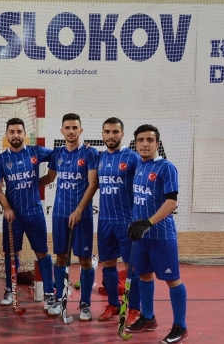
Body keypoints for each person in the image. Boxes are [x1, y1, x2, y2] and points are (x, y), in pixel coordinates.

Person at [125, 125, 188, 343]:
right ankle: (148, 317)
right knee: (144, 276)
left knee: (173, 280)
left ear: (157, 144)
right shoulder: (139, 166)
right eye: (140, 140)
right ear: (135, 144)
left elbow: (171, 202)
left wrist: (148, 222)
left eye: (149, 140)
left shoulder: (166, 167)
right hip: (141, 237)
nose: (145, 144)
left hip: (162, 236)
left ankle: (180, 326)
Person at [0, 117, 56, 311]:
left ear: (25, 134)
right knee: (11, 253)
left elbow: (60, 155)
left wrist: (42, 181)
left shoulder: (36, 151)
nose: (16, 135)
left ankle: (49, 294)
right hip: (13, 216)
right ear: (7, 134)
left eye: (19, 131)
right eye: (12, 132)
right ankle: (10, 290)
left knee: (42, 252)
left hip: (34, 212)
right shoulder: (1, 159)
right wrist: (7, 208)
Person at [45, 113, 99, 321]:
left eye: (75, 127)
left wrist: (79, 210)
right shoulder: (57, 153)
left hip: (82, 215)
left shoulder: (90, 153)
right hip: (60, 213)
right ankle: (60, 299)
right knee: (60, 257)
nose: (71, 131)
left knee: (84, 259)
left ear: (81, 130)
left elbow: (93, 184)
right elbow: (50, 177)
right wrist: (28, 186)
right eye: (67, 128)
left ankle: (85, 304)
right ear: (61, 131)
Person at [95, 118, 141, 325]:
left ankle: (134, 309)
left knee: (132, 267)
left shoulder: (132, 157)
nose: (111, 135)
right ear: (102, 134)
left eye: (115, 132)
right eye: (107, 132)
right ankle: (113, 304)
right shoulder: (100, 157)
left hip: (126, 221)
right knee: (108, 264)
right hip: (105, 221)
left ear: (122, 134)